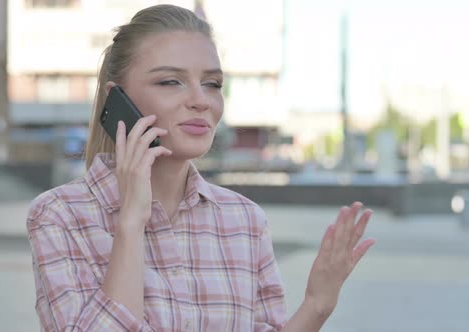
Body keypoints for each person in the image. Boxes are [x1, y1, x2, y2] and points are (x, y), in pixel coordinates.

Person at [26, 4, 376, 331]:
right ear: (117, 100)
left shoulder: (245, 221)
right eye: (170, 81)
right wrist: (130, 223)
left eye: (212, 84)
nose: (200, 100)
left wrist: (317, 306)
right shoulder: (59, 215)